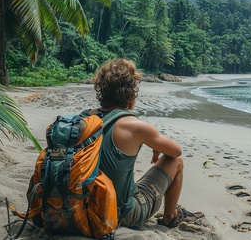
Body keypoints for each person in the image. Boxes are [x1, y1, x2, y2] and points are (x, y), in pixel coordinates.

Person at [82, 58, 203, 229]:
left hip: (80, 207)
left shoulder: (83, 119)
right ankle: (170, 217)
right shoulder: (134, 126)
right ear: (131, 94)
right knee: (176, 163)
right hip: (121, 214)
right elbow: (176, 152)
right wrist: (154, 144)